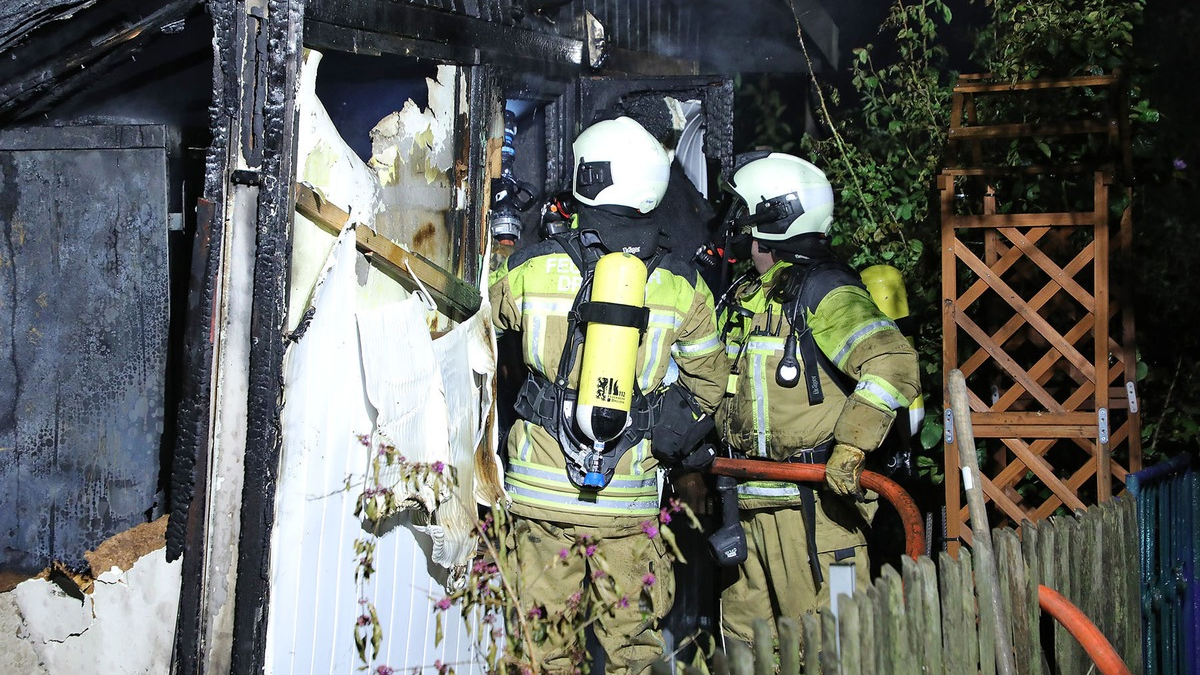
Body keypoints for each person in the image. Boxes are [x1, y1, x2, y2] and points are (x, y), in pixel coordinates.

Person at [488, 116, 728, 674]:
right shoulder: (681, 285)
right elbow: (709, 384)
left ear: (585, 179)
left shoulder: (532, 268)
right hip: (628, 503)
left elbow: (481, 319)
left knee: (542, 649)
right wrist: (665, 432)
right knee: (634, 652)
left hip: (541, 499)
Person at [712, 152, 921, 653]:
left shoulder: (828, 292)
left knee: (832, 649)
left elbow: (893, 363)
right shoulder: (749, 295)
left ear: (773, 215)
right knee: (749, 650)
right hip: (746, 506)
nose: (736, 224)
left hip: (818, 513)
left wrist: (851, 448)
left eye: (745, 210)